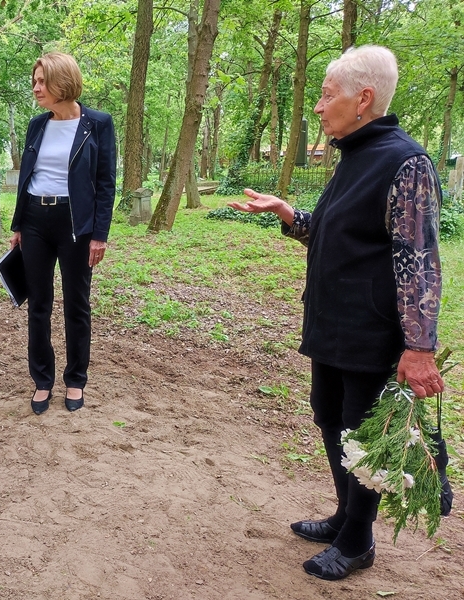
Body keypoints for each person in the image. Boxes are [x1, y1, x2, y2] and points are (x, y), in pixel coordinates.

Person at [228, 45, 445, 580]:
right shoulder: (354, 155)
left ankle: (357, 541)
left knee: (361, 434)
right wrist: (289, 214)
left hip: (370, 329)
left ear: (363, 98)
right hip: (331, 321)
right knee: (330, 418)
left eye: (327, 96)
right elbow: (340, 233)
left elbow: (418, 261)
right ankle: (346, 515)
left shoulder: (405, 162)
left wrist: (419, 347)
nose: (319, 107)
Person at [9, 52, 116, 415]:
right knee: (38, 304)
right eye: (35, 81)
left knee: (77, 304)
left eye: (43, 81)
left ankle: (75, 379)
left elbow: (106, 184)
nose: (36, 88)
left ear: (63, 83)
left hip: (76, 224)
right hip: (35, 219)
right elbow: (27, 177)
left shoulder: (98, 123)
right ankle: (42, 380)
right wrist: (18, 225)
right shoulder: (37, 124)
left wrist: (99, 235)